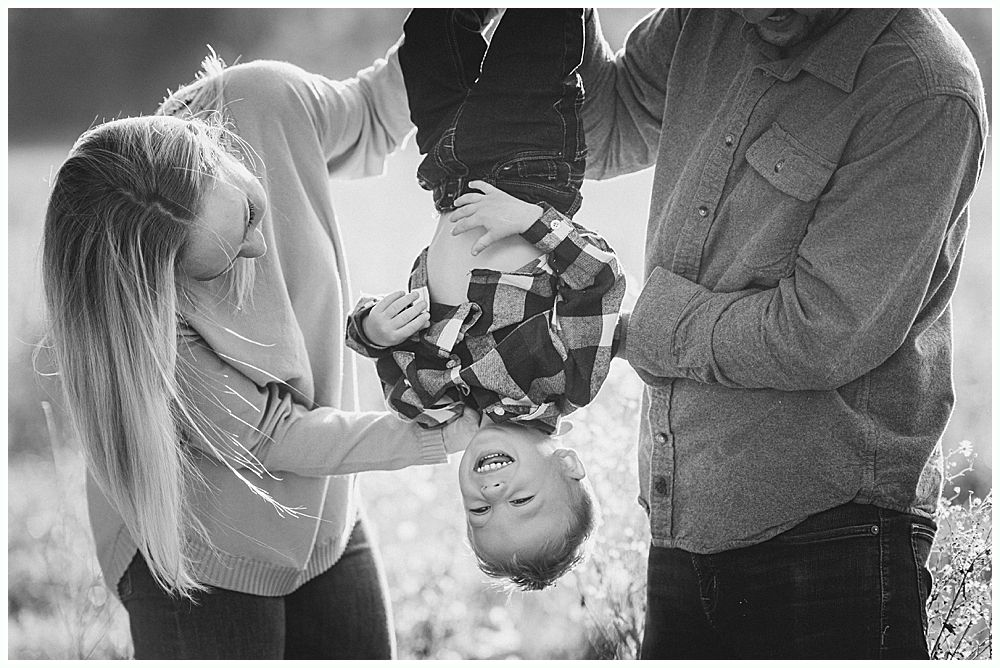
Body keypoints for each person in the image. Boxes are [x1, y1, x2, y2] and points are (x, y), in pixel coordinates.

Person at [40, 43, 480, 659]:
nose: (255, 249)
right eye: (218, 262)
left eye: (248, 212)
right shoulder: (148, 326)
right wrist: (444, 433)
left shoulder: (266, 101)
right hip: (200, 556)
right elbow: (280, 435)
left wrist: (461, 21)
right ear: (162, 275)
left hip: (324, 519)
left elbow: (378, 106)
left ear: (215, 152)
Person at [579, 8, 987, 659]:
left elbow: (822, 329)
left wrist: (640, 331)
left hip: (832, 544)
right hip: (682, 522)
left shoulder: (921, 83)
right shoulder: (705, 16)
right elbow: (600, 127)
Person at [345, 9, 626, 590]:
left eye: (480, 513)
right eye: (522, 502)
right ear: (568, 467)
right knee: (539, 27)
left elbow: (375, 345)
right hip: (529, 159)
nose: (493, 494)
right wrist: (530, 221)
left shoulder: (432, 404)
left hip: (446, 169)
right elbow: (599, 279)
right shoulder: (567, 381)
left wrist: (372, 329)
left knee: (432, 32)